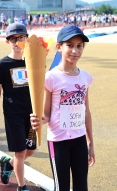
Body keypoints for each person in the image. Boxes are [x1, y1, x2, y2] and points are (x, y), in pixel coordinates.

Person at [30, 25, 95, 191]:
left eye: (79, 46)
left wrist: (90, 143)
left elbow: (86, 111)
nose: (75, 50)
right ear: (59, 47)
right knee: (62, 187)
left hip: (79, 140)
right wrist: (38, 121)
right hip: (58, 142)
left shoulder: (85, 77)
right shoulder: (51, 78)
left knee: (82, 186)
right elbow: (46, 114)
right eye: (70, 45)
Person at [0, 23, 36, 191]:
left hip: (31, 114)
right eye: (13, 39)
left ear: (27, 39)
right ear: (7, 42)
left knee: (29, 151)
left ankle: (8, 164)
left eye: (21, 38)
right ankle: (21, 186)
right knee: (20, 152)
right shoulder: (3, 64)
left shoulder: (32, 60)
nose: (17, 43)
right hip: (12, 114)